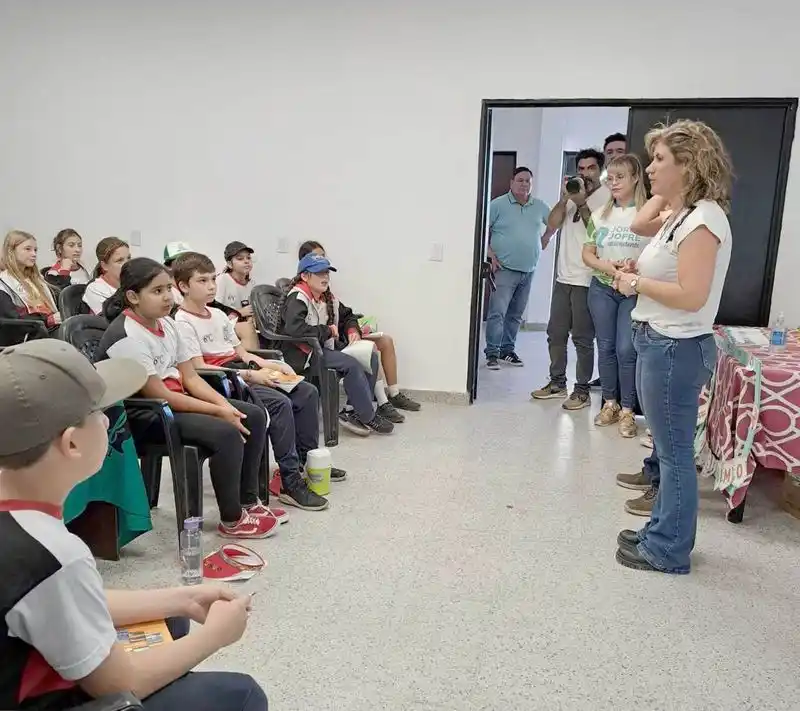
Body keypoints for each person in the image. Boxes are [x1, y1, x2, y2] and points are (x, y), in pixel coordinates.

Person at [0, 339, 267, 711]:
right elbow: (122, 683)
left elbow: (64, 598)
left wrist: (185, 598)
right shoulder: (52, 552)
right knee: (242, 695)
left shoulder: (21, 523)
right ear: (72, 444)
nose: (109, 420)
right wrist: (219, 636)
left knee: (173, 620)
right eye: (100, 412)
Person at [613, 119, 733, 574]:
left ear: (689, 164)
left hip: (675, 348)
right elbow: (657, 249)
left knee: (674, 453)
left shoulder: (704, 219)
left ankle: (668, 549)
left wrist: (635, 281)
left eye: (660, 160)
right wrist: (638, 272)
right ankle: (660, 531)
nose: (649, 168)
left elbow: (692, 294)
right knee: (667, 451)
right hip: (661, 342)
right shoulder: (683, 214)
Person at [95, 257, 276, 539]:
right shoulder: (126, 336)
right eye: (157, 291)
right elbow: (160, 394)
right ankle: (232, 520)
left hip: (173, 402)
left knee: (250, 413)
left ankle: (247, 501)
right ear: (132, 296)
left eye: (169, 288)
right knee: (227, 432)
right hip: (143, 415)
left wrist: (224, 405)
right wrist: (218, 413)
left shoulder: (166, 324)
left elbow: (190, 377)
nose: (168, 297)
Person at [172, 250, 340, 511]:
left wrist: (266, 364)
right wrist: (250, 374)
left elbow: (240, 352)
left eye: (212, 280)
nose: (211, 286)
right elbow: (198, 368)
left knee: (306, 391)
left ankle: (307, 462)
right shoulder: (182, 322)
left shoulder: (217, 315)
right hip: (222, 381)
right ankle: (289, 481)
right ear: (183, 286)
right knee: (279, 404)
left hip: (241, 369)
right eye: (202, 281)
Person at [298, 241, 421, 416]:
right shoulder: (301, 294)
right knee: (369, 351)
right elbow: (301, 328)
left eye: (325, 258)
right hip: (327, 345)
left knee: (385, 341)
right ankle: (378, 403)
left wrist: (353, 329)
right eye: (319, 259)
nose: (324, 264)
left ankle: (391, 395)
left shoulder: (325, 291)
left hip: (342, 337)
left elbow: (346, 314)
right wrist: (332, 331)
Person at [279, 253, 393, 435]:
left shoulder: (327, 297)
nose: (325, 277)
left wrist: (352, 330)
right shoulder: (297, 298)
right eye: (319, 273)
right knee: (351, 364)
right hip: (305, 355)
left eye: (327, 273)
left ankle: (352, 411)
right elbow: (295, 330)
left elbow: (348, 315)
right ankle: (368, 416)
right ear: (305, 276)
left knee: (369, 355)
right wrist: (327, 331)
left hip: (324, 348)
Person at [532, 149, 608, 410]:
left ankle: (583, 390)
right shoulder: (572, 196)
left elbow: (597, 233)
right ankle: (556, 382)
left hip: (588, 279)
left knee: (583, 338)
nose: (586, 173)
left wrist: (583, 202)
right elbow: (552, 224)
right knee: (555, 333)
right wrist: (566, 199)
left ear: (600, 171)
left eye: (591, 168)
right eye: (582, 168)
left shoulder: (605, 198)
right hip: (564, 277)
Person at [582, 154, 648, 437]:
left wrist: (635, 269)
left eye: (621, 176)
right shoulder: (599, 216)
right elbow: (588, 253)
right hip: (602, 288)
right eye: (611, 177)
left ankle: (629, 411)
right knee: (605, 347)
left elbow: (659, 255)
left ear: (635, 178)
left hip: (632, 290)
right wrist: (605, 265)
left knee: (626, 349)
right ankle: (609, 404)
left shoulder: (648, 215)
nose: (614, 182)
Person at [484, 167, 552, 369]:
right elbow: (479, 228)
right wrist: (489, 253)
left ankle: (507, 350)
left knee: (516, 314)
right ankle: (492, 353)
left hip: (528, 269)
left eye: (528, 181)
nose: (524, 184)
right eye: (520, 180)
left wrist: (546, 237)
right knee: (498, 312)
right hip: (504, 268)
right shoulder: (497, 205)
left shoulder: (538, 206)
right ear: (511, 182)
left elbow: (555, 221)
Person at [0, 230, 61, 334]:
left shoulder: (38, 280)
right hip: (28, 337)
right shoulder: (4, 284)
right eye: (27, 249)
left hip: (51, 329)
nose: (33, 254)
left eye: (35, 250)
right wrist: (48, 320)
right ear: (11, 251)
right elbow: (12, 322)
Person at [83, 237, 131, 315]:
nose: (128, 264)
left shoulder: (132, 285)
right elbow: (114, 320)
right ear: (104, 266)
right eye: (119, 260)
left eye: (128, 258)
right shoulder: (95, 289)